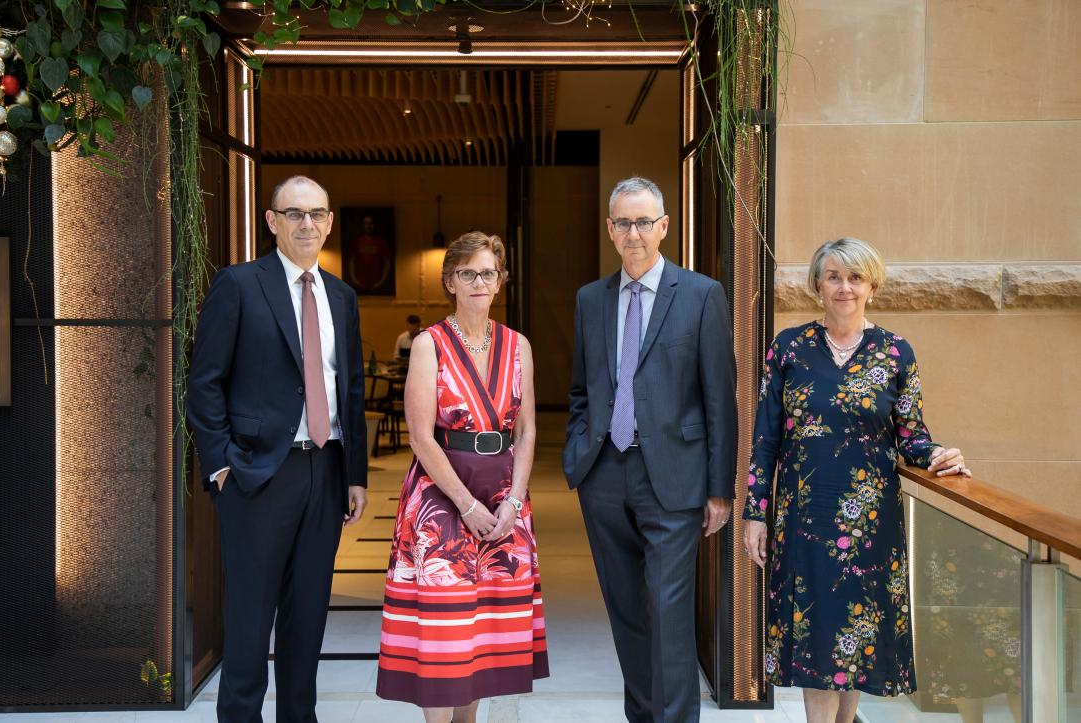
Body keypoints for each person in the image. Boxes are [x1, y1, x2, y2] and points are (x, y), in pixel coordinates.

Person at [741, 237, 971, 723]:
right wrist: (754, 515)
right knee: (818, 643)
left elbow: (911, 435)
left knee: (856, 644)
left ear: (871, 285)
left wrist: (938, 456)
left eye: (855, 277)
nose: (844, 287)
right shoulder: (789, 347)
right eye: (833, 276)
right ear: (818, 285)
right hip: (803, 521)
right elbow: (765, 439)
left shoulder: (895, 352)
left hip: (869, 525)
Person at [187, 175, 368, 722]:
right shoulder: (239, 285)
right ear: (272, 221)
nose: (306, 223)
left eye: (316, 213)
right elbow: (204, 382)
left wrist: (354, 474)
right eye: (294, 213)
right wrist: (220, 466)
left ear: (330, 221)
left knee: (307, 618)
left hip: (326, 470)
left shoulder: (342, 295)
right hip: (256, 476)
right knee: (249, 621)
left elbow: (350, 388)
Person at [563, 177, 738, 722]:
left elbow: (720, 400)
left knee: (668, 612)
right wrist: (578, 457)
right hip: (605, 475)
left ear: (663, 227)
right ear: (610, 230)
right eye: (623, 222)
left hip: (675, 477)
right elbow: (579, 389)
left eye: (644, 222)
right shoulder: (590, 299)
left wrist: (719, 488)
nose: (633, 233)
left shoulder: (702, 294)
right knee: (627, 615)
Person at [376, 231, 548, 723]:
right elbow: (421, 436)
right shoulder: (430, 344)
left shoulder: (519, 346)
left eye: (488, 273)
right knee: (444, 634)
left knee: (486, 634)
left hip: (504, 500)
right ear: (450, 281)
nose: (478, 281)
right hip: (441, 497)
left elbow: (529, 430)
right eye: (468, 273)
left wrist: (513, 502)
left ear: (500, 282)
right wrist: (466, 506)